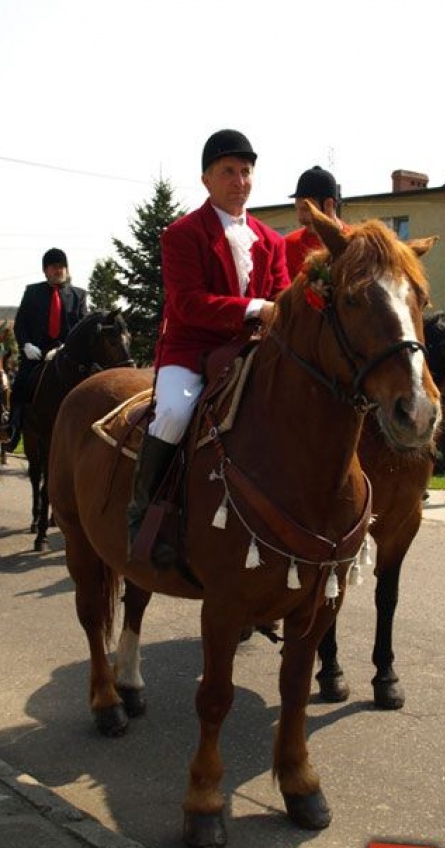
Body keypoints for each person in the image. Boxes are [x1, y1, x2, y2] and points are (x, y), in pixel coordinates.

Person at [128, 128, 291, 560]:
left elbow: (282, 297)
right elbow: (186, 304)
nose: (240, 181)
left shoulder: (271, 241)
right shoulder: (181, 233)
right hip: (191, 351)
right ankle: (143, 515)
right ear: (206, 179)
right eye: (228, 172)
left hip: (250, 354)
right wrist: (255, 308)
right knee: (174, 414)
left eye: (246, 171)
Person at [5, 248, 87, 451]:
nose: (58, 270)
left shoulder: (78, 295)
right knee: (20, 386)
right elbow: (20, 324)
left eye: (61, 267)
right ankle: (13, 429)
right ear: (45, 270)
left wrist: (64, 348)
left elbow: (82, 328)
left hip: (67, 356)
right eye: (54, 267)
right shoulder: (32, 292)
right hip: (36, 355)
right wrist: (26, 345)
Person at [284, 166, 345, 278]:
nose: (300, 218)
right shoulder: (288, 246)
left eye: (306, 209)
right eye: (297, 209)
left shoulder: (356, 243)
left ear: (328, 205)